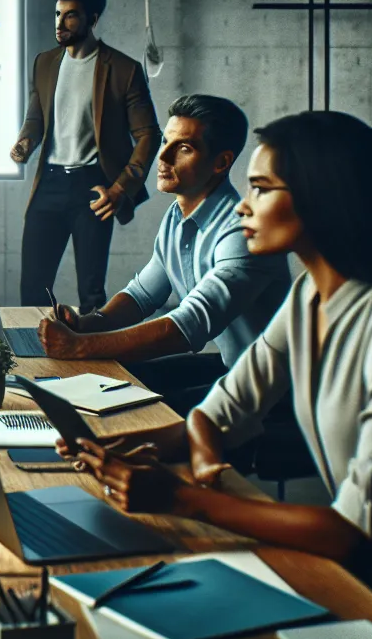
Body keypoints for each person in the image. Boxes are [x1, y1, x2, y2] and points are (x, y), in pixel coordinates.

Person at [62, 111, 372, 639]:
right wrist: (119, 450)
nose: (242, 206)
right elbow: (217, 413)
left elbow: (349, 533)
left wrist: (185, 496)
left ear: (322, 196)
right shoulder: (309, 294)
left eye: (260, 189)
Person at [36, 95, 291, 416]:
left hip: (276, 391)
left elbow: (188, 327)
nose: (163, 157)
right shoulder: (176, 215)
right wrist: (89, 324)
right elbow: (142, 295)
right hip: (234, 367)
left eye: (184, 148)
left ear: (221, 162)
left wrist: (78, 346)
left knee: (133, 411)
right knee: (109, 383)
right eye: (166, 141)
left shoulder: (241, 231)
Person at [11, 0, 158, 310]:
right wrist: (25, 142)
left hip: (92, 187)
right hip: (48, 183)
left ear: (92, 19)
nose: (60, 24)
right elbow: (37, 117)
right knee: (32, 288)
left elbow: (149, 134)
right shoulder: (45, 63)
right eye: (57, 14)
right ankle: (33, 357)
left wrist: (121, 188)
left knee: (91, 292)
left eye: (70, 16)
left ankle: (91, 359)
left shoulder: (123, 70)